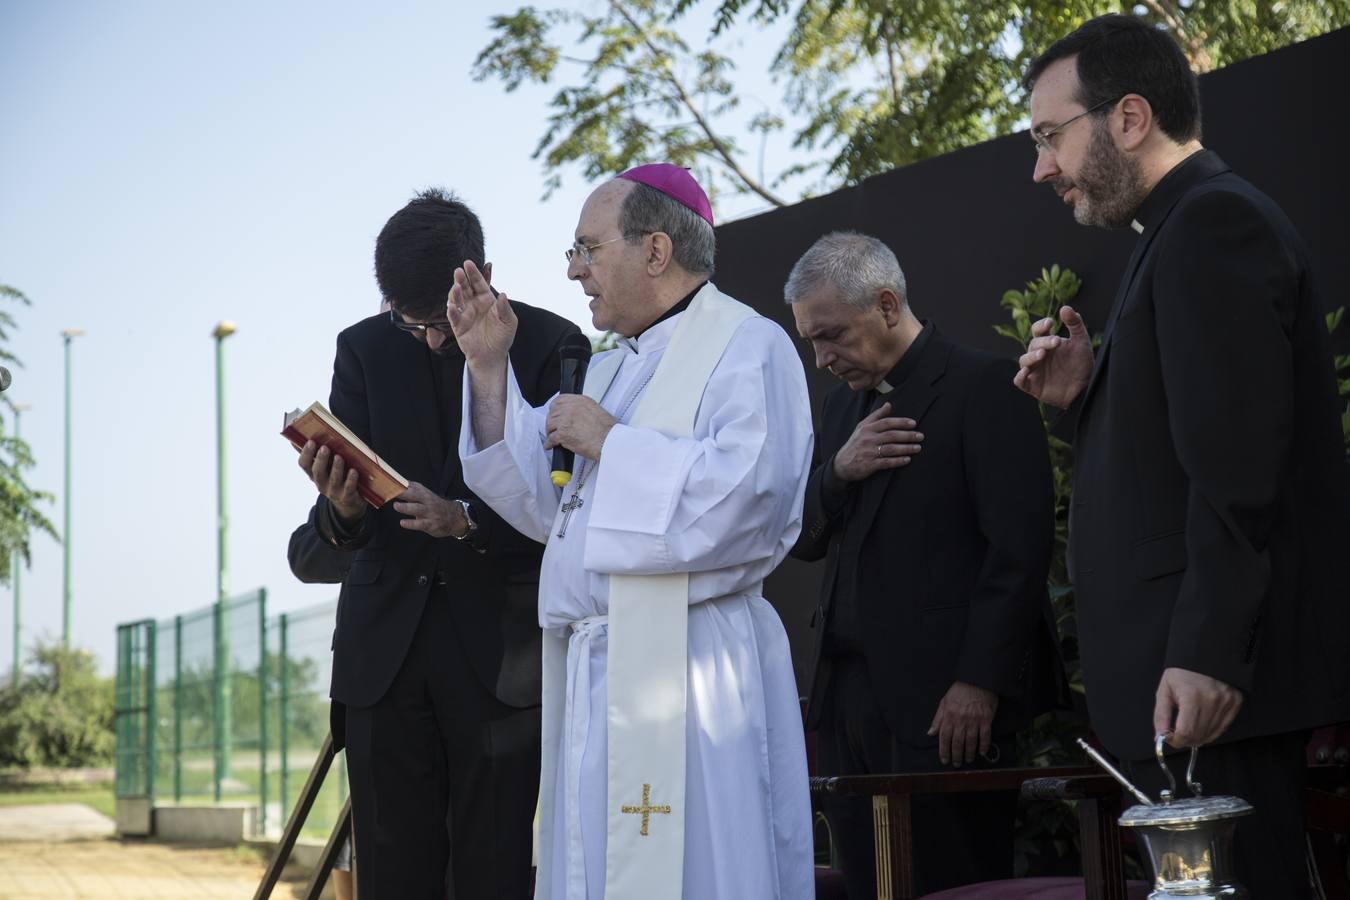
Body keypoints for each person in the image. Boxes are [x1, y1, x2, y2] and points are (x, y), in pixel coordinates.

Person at [1017, 15, 1350, 895]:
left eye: (1051, 136)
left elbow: (1239, 470)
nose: (1041, 167)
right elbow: (1185, 445)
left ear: (1129, 118)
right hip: (1188, 698)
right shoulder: (1177, 233)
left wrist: (1206, 652)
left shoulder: (1213, 225)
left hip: (1211, 696)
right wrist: (1084, 396)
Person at [450, 164, 815, 900]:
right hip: (595, 671)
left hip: (692, 667)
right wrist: (489, 368)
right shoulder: (613, 369)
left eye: (587, 248)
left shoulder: (749, 344)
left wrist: (613, 443)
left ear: (655, 251)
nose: (573, 270)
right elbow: (554, 510)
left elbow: (752, 499)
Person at [291, 188, 580, 898]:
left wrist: (467, 522)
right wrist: (344, 509)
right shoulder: (362, 349)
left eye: (437, 323)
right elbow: (322, 548)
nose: (423, 339)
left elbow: (572, 523)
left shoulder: (552, 346)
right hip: (383, 662)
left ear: (476, 277)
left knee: (493, 868)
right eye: (405, 320)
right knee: (391, 874)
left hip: (498, 666)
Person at [788, 232, 1067, 895]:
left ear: (886, 304)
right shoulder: (839, 409)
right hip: (847, 702)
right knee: (866, 883)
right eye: (811, 342)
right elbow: (802, 538)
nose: (822, 358)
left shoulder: (985, 386)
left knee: (953, 883)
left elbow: (1020, 551)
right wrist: (838, 472)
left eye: (832, 336)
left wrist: (979, 682)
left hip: (947, 706)